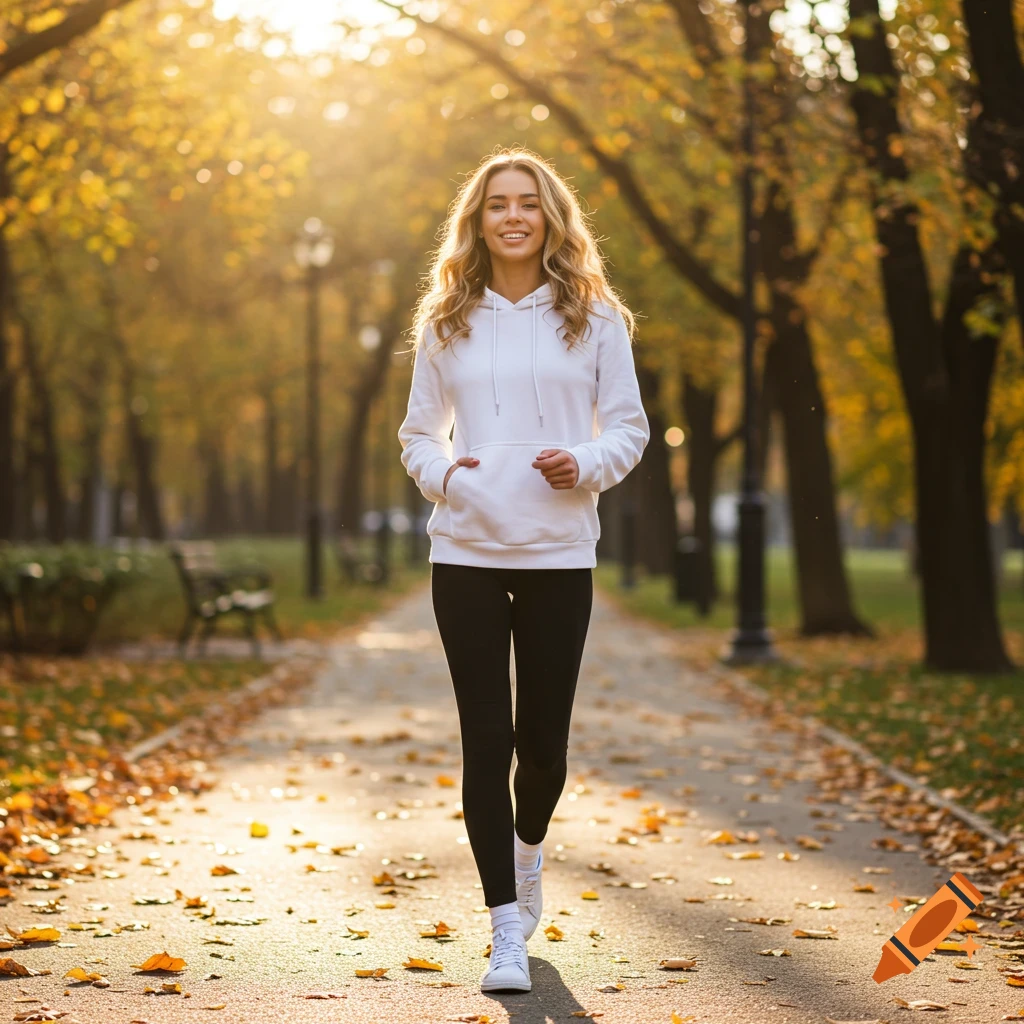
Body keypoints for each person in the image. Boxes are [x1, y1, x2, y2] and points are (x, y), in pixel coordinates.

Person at [397, 148, 650, 994]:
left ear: (549, 219)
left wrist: (582, 463)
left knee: (540, 748)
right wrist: (443, 475)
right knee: (485, 741)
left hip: (556, 551)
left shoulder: (595, 315)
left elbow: (629, 429)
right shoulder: (446, 318)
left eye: (528, 204)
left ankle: (528, 845)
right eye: (497, 203)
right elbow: (417, 434)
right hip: (464, 550)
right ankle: (505, 929)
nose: (512, 216)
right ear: (477, 220)